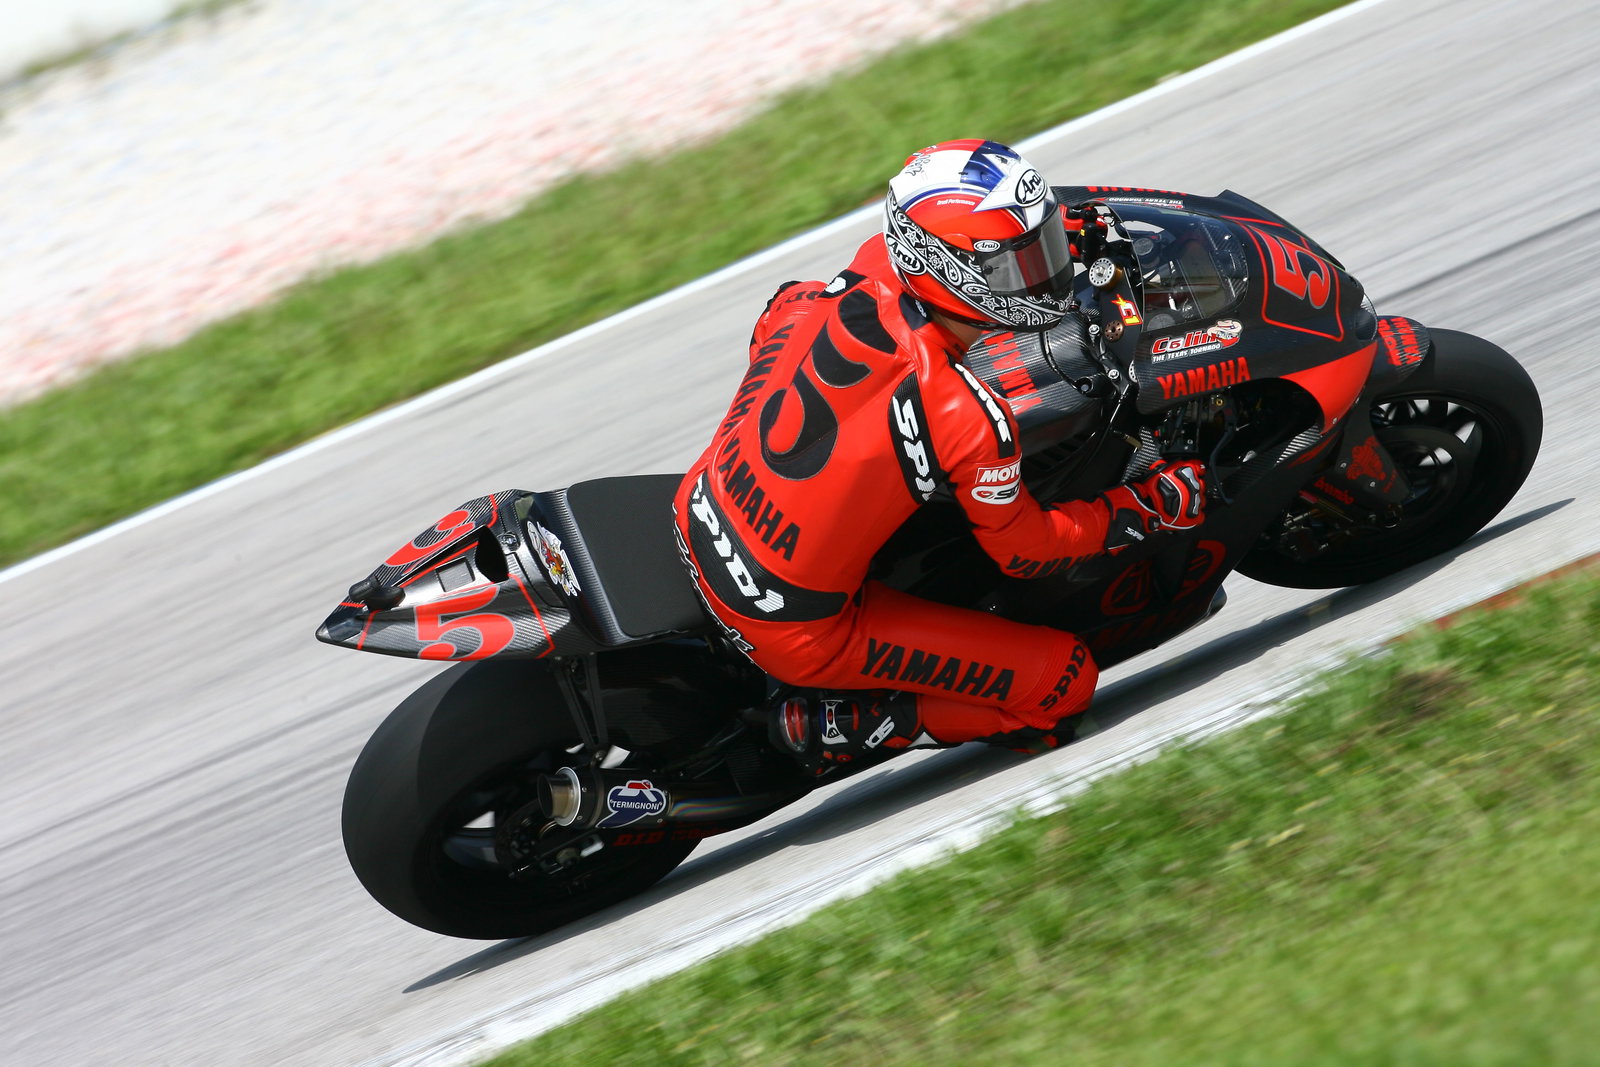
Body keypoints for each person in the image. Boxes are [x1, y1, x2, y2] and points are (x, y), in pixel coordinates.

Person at [672, 138, 1205, 774]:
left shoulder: (872, 266)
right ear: (952, 271)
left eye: (1047, 248)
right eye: (1019, 263)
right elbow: (1027, 549)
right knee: (1062, 684)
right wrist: (1142, 506)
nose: (1046, 274)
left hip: (697, 504)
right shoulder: (963, 415)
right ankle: (841, 722)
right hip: (796, 628)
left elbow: (781, 310)